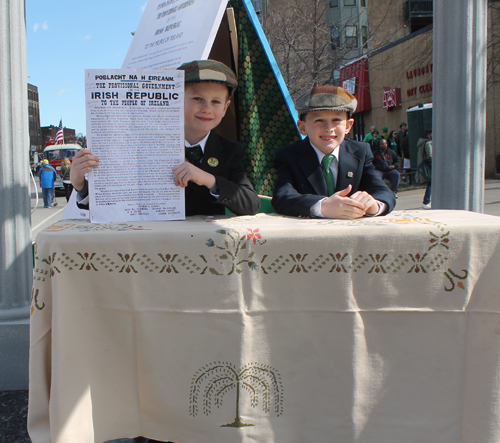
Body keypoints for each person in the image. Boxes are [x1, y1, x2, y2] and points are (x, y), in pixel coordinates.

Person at [70, 60, 260, 216]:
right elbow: (117, 201)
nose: (207, 109)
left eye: (216, 102)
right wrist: (81, 186)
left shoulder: (230, 150)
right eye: (198, 99)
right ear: (176, 100)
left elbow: (251, 204)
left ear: (225, 108)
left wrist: (209, 180)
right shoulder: (144, 144)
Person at [272, 85, 396, 219]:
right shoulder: (288, 156)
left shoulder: (361, 152)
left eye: (336, 120)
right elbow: (282, 197)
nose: (329, 128)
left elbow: (384, 192)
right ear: (302, 127)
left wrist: (374, 205)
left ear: (348, 126)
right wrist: (322, 206)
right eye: (319, 120)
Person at [416, 129, 433, 209]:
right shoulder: (428, 143)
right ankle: (426, 201)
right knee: (430, 183)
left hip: (426, 164)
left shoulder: (422, 142)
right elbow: (430, 155)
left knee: (430, 183)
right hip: (430, 165)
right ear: (429, 135)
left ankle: (428, 201)